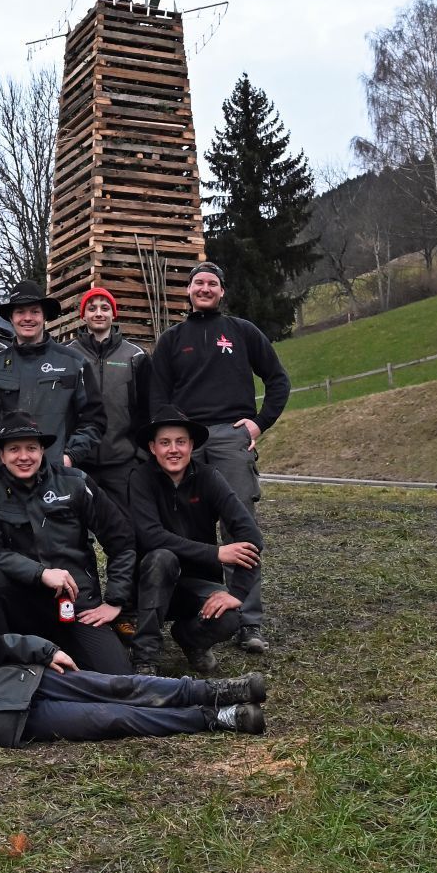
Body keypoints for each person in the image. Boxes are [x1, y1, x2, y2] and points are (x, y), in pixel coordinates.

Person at [149, 262, 290, 650]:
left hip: (230, 437)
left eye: (212, 283)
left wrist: (259, 424)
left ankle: (248, 621)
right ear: (188, 291)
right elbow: (157, 395)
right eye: (198, 283)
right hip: (185, 442)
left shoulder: (242, 332)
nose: (205, 288)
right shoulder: (173, 339)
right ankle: (193, 613)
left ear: (222, 291)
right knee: (183, 529)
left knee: (239, 528)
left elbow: (278, 380)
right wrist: (170, 437)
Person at [0, 631, 267, 753]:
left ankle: (214, 690)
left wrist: (43, 649)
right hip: (16, 723)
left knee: (120, 685)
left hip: (28, 679)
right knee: (113, 718)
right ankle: (214, 719)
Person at [0, 412, 135, 675]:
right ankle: (0, 661)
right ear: (1, 455)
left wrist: (115, 600)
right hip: (22, 605)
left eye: (31, 448)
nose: (24, 457)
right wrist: (41, 573)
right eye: (14, 449)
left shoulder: (75, 482)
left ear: (43, 450)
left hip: (76, 606)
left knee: (118, 676)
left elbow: (121, 540)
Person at [127, 407, 264, 674]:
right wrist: (216, 553)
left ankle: (191, 640)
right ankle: (145, 658)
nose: (173, 450)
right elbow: (151, 536)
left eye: (180, 442)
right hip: (150, 584)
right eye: (165, 443)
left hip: (197, 584)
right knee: (161, 557)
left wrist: (237, 593)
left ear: (192, 445)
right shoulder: (140, 478)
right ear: (153, 448)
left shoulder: (209, 477)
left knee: (231, 617)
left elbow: (251, 535)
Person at [0, 280, 102, 480]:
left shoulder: (74, 363)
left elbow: (93, 419)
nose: (27, 318)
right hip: (6, 477)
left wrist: (69, 456)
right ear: (11, 317)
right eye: (20, 312)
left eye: (34, 311)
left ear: (44, 317)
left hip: (58, 476)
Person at [72, 286, 150, 515]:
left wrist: (140, 454)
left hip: (122, 463)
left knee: (126, 529)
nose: (99, 313)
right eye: (92, 308)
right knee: (76, 530)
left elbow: (146, 409)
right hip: (79, 462)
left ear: (113, 314)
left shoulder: (136, 356)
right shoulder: (67, 355)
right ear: (83, 315)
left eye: (105, 308)